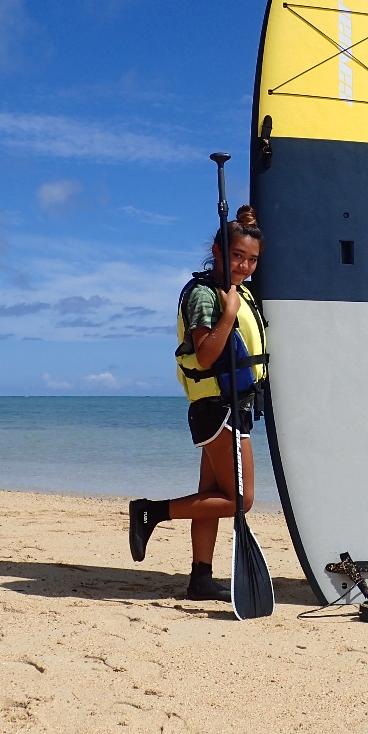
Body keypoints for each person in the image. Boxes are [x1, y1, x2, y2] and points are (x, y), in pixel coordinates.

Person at [128, 205, 268, 601]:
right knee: (240, 499)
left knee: (211, 494)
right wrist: (229, 314)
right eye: (237, 255)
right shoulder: (207, 296)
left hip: (228, 406)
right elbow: (206, 356)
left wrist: (251, 224)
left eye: (252, 260)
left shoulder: (237, 290)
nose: (244, 266)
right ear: (217, 250)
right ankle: (151, 512)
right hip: (218, 408)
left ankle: (200, 578)